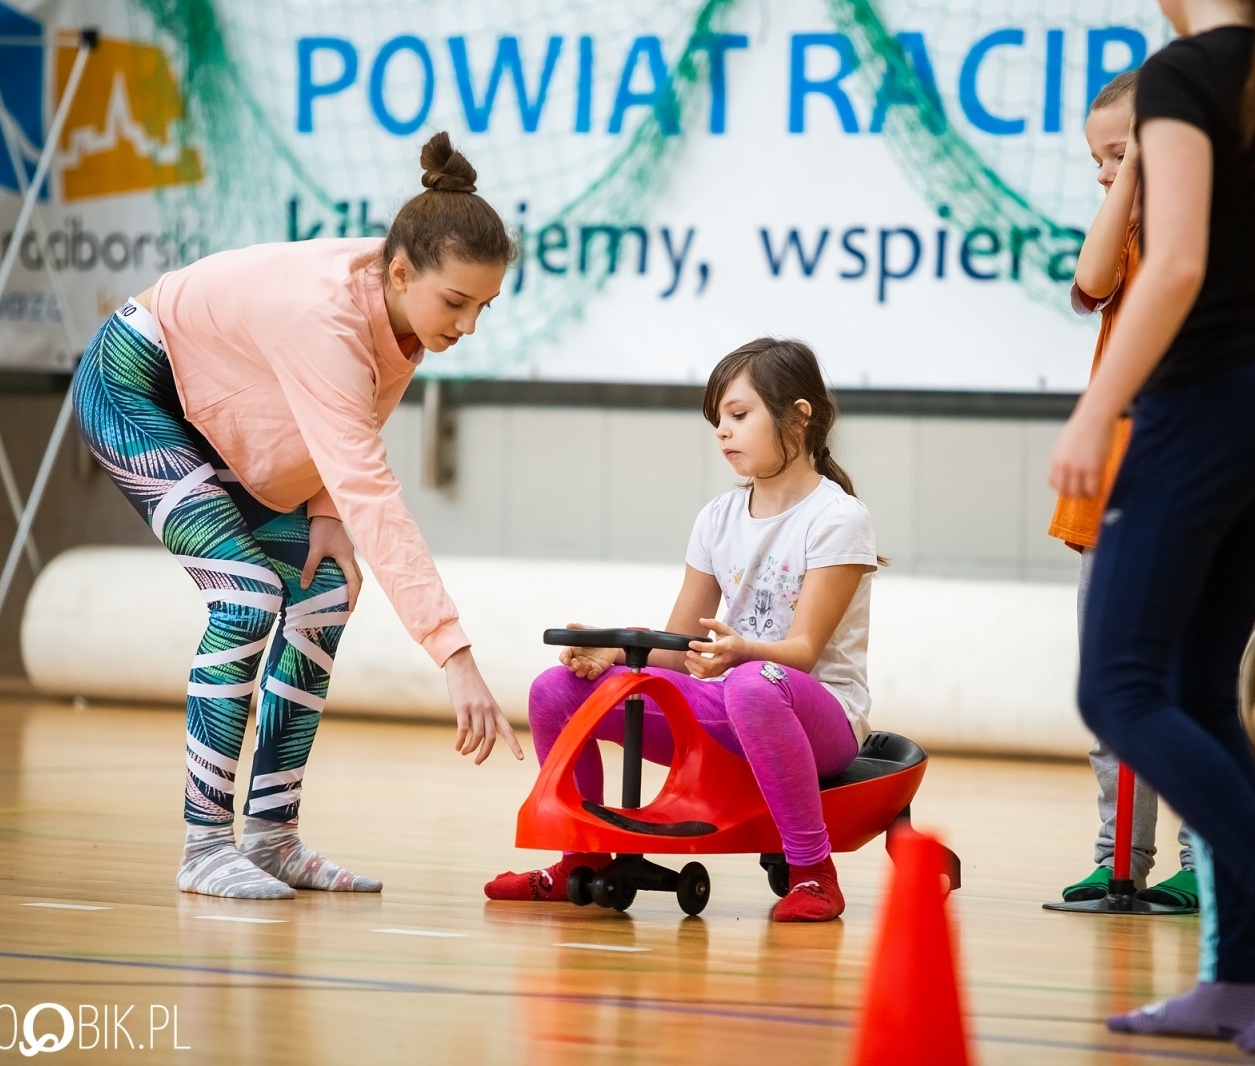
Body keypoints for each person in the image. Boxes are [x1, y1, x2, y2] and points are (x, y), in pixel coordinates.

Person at [72, 133, 525, 900]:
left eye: (483, 307)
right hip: (134, 388)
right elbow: (372, 489)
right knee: (246, 596)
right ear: (402, 270)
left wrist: (323, 512)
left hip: (216, 415)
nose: (468, 326)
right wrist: (456, 657)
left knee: (323, 591)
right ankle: (204, 846)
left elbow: (348, 424)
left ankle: (272, 838)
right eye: (457, 303)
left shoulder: (399, 306)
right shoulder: (325, 315)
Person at [1048, 0, 1255, 1051]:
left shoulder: (1183, 73)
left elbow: (1173, 263)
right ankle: (1232, 980)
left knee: (1116, 686)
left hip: (1202, 405)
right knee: (1196, 694)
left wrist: (1099, 411)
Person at [485, 338, 878, 922]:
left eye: (739, 416)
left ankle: (813, 873)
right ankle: (579, 861)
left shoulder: (839, 517)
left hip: (818, 717)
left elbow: (800, 652)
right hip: (733, 699)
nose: (723, 432)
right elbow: (675, 652)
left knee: (751, 684)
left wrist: (740, 652)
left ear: (800, 415)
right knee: (555, 690)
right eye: (718, 419)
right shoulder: (717, 518)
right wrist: (613, 652)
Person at [1049, 69, 1197, 910]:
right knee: (1108, 687)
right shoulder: (1126, 229)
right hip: (1103, 506)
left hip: (1180, 496)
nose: (1106, 172)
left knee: (1187, 686)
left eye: (1118, 153)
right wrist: (1129, 175)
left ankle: (1201, 857)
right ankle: (1117, 859)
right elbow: (1094, 280)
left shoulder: (1198, 235)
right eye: (1098, 160)